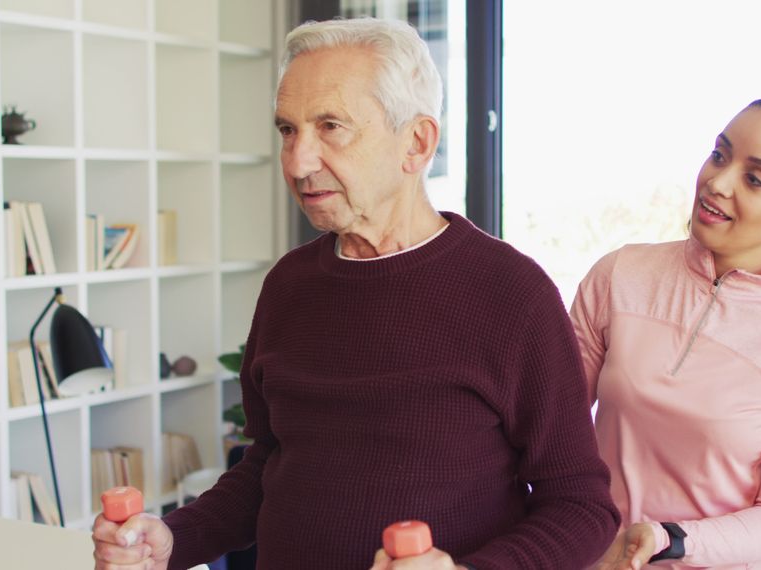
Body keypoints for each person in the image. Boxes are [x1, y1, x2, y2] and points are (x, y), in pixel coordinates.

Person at [92, 17, 620, 570]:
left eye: (331, 127)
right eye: (287, 130)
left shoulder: (512, 294)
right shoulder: (288, 286)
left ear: (416, 143)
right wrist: (175, 539)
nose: (298, 162)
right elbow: (268, 466)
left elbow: (581, 508)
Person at [571, 96, 761, 570]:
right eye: (720, 155)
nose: (716, 182)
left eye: (754, 179)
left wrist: (672, 540)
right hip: (593, 558)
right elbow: (547, 422)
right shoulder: (621, 274)